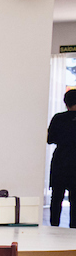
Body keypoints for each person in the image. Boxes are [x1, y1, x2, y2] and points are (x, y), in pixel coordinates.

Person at [48, 88, 76, 226]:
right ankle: (74, 230)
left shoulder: (58, 118)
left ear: (66, 103)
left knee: (56, 197)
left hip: (60, 160)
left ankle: (53, 227)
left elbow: (50, 139)